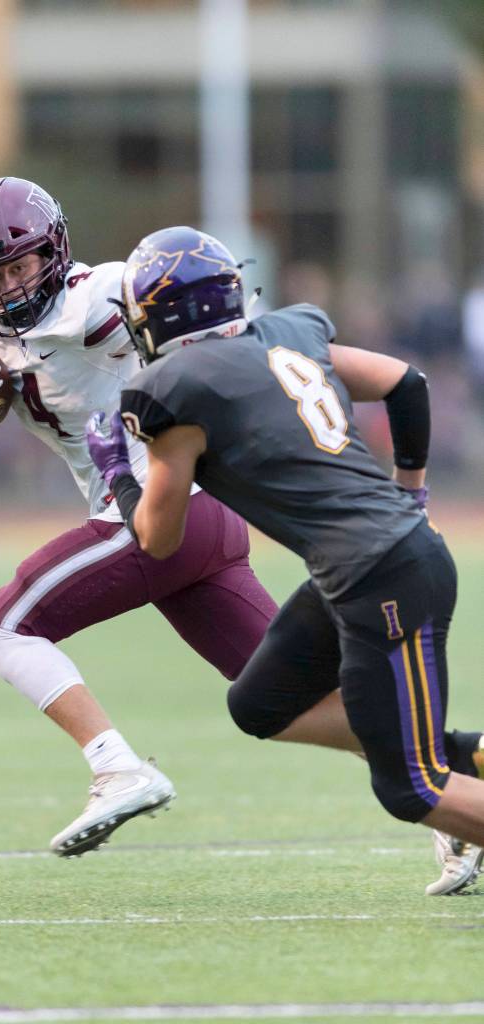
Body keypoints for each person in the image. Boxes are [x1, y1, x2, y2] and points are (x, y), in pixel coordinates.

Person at [86, 224, 484, 895]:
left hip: (377, 576)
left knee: (409, 789)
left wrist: (115, 475)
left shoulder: (171, 387)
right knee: (260, 702)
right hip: (374, 565)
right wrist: (409, 494)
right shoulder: (288, 332)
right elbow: (405, 383)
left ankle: (450, 787)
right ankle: (462, 759)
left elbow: (157, 537)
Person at [0, 178, 279, 858]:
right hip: (195, 528)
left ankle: (116, 766)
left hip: (160, 510)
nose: (5, 287)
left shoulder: (109, 295)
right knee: (287, 694)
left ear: (51, 252)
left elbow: (219, 329)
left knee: (3, 629)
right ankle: (447, 788)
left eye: (18, 265)